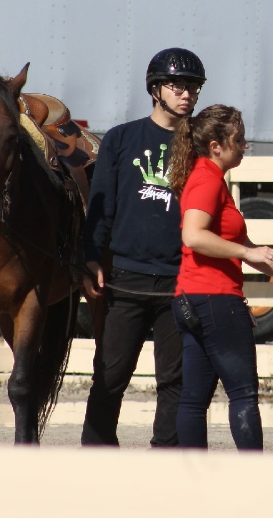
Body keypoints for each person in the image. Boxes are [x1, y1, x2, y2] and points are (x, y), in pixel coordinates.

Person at [78, 47, 206, 447]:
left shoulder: (202, 142)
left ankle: (164, 463)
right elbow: (102, 205)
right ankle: (97, 452)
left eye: (193, 87)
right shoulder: (122, 138)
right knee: (110, 375)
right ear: (155, 89)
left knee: (174, 380)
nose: (186, 94)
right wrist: (90, 258)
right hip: (126, 279)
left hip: (178, 281)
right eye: (177, 85)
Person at [167, 104, 273, 450]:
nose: (245, 145)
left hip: (194, 299)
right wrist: (247, 254)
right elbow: (194, 236)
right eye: (240, 139)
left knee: (193, 399)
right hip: (216, 300)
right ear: (216, 145)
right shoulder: (206, 180)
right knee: (243, 394)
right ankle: (251, 477)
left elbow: (241, 244)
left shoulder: (209, 178)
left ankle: (193, 478)